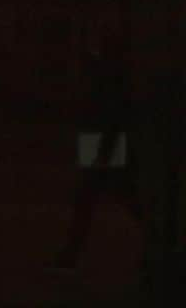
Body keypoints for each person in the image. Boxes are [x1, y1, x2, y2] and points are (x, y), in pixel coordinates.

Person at [54, 23, 141, 270]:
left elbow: (107, 111)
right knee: (113, 195)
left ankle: (71, 251)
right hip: (105, 139)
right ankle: (71, 251)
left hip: (103, 139)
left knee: (91, 197)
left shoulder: (110, 77)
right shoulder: (114, 75)